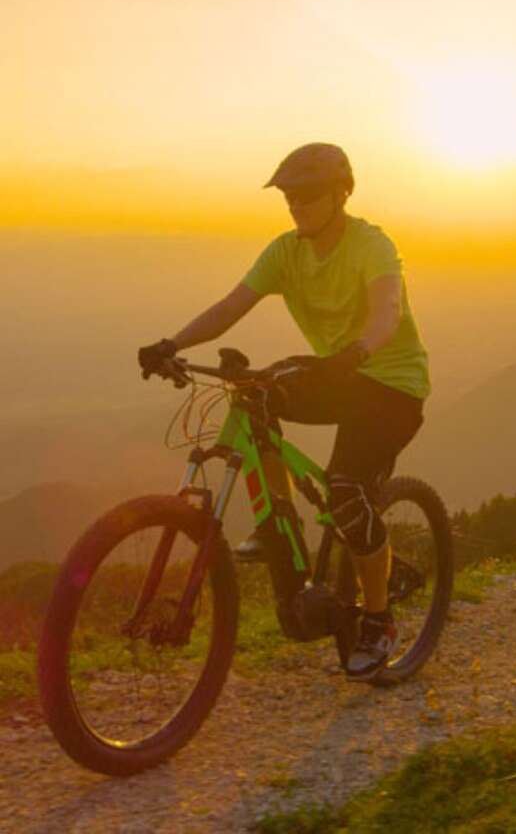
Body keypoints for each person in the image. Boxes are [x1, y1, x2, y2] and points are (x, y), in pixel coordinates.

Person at [138, 142, 430, 681]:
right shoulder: (284, 253)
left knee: (346, 489)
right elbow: (230, 306)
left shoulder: (371, 245)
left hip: (392, 385)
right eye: (289, 196)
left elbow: (388, 309)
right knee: (256, 390)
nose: (296, 205)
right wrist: (170, 344)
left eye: (308, 195)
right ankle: (281, 524)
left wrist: (358, 352)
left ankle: (378, 618)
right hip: (340, 374)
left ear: (342, 193)